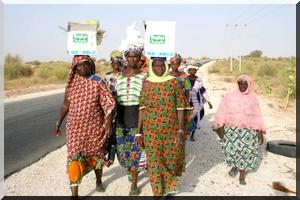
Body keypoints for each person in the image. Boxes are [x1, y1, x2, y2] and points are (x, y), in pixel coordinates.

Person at [53, 55, 115, 198]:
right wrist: (58, 123)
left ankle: (99, 181)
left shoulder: (98, 82)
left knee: (96, 156)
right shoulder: (72, 84)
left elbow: (109, 104)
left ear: (91, 65)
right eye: (79, 66)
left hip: (95, 128)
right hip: (75, 129)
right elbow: (65, 105)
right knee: (74, 157)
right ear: (75, 68)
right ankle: (75, 194)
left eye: (86, 64)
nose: (83, 68)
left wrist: (107, 124)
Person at [137, 57, 188, 196]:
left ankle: (169, 187)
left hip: (170, 129)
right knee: (154, 161)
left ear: (166, 66)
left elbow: (180, 107)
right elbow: (142, 108)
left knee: (169, 158)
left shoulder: (172, 82)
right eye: (155, 66)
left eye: (161, 66)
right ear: (151, 67)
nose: (159, 69)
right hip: (150, 129)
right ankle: (158, 191)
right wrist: (138, 132)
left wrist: (180, 129)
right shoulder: (147, 84)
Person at [213, 75, 266, 185]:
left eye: (245, 84)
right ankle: (235, 166)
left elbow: (257, 115)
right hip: (232, 130)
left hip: (248, 131)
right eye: (240, 83)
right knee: (233, 151)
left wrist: (260, 132)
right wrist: (220, 126)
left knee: (245, 152)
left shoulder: (253, 98)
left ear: (249, 84)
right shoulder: (230, 96)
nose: (242, 86)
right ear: (237, 84)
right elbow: (222, 110)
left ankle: (242, 175)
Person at [115, 46, 147, 196]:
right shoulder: (118, 76)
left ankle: (134, 185)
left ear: (140, 58)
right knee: (122, 153)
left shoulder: (144, 76)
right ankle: (130, 170)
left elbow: (146, 100)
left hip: (137, 117)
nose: (132, 59)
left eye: (136, 56)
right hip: (121, 119)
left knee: (136, 152)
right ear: (125, 58)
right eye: (130, 56)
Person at [105, 50, 124, 167]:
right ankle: (111, 156)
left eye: (117, 61)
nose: (114, 64)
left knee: (120, 130)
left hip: (123, 106)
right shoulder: (107, 76)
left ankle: (122, 156)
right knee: (111, 132)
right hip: (111, 107)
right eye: (112, 61)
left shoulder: (125, 75)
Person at [186, 65, 213, 141]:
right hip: (186, 101)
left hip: (196, 102)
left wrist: (209, 102)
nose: (192, 71)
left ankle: (192, 134)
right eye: (191, 70)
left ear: (196, 71)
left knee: (196, 117)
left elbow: (203, 91)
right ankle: (186, 131)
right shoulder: (185, 79)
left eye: (194, 70)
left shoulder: (199, 80)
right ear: (188, 71)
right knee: (186, 117)